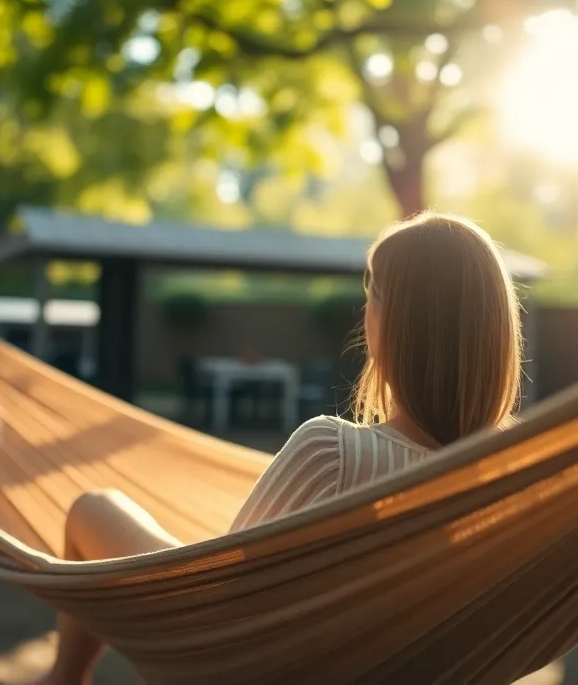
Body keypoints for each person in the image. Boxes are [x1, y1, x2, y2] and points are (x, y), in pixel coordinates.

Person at [32, 212, 523, 685]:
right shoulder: (513, 491)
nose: (363, 310)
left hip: (231, 668)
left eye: (373, 293)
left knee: (92, 508)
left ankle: (64, 677)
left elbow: (222, 603)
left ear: (395, 326)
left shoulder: (333, 454)